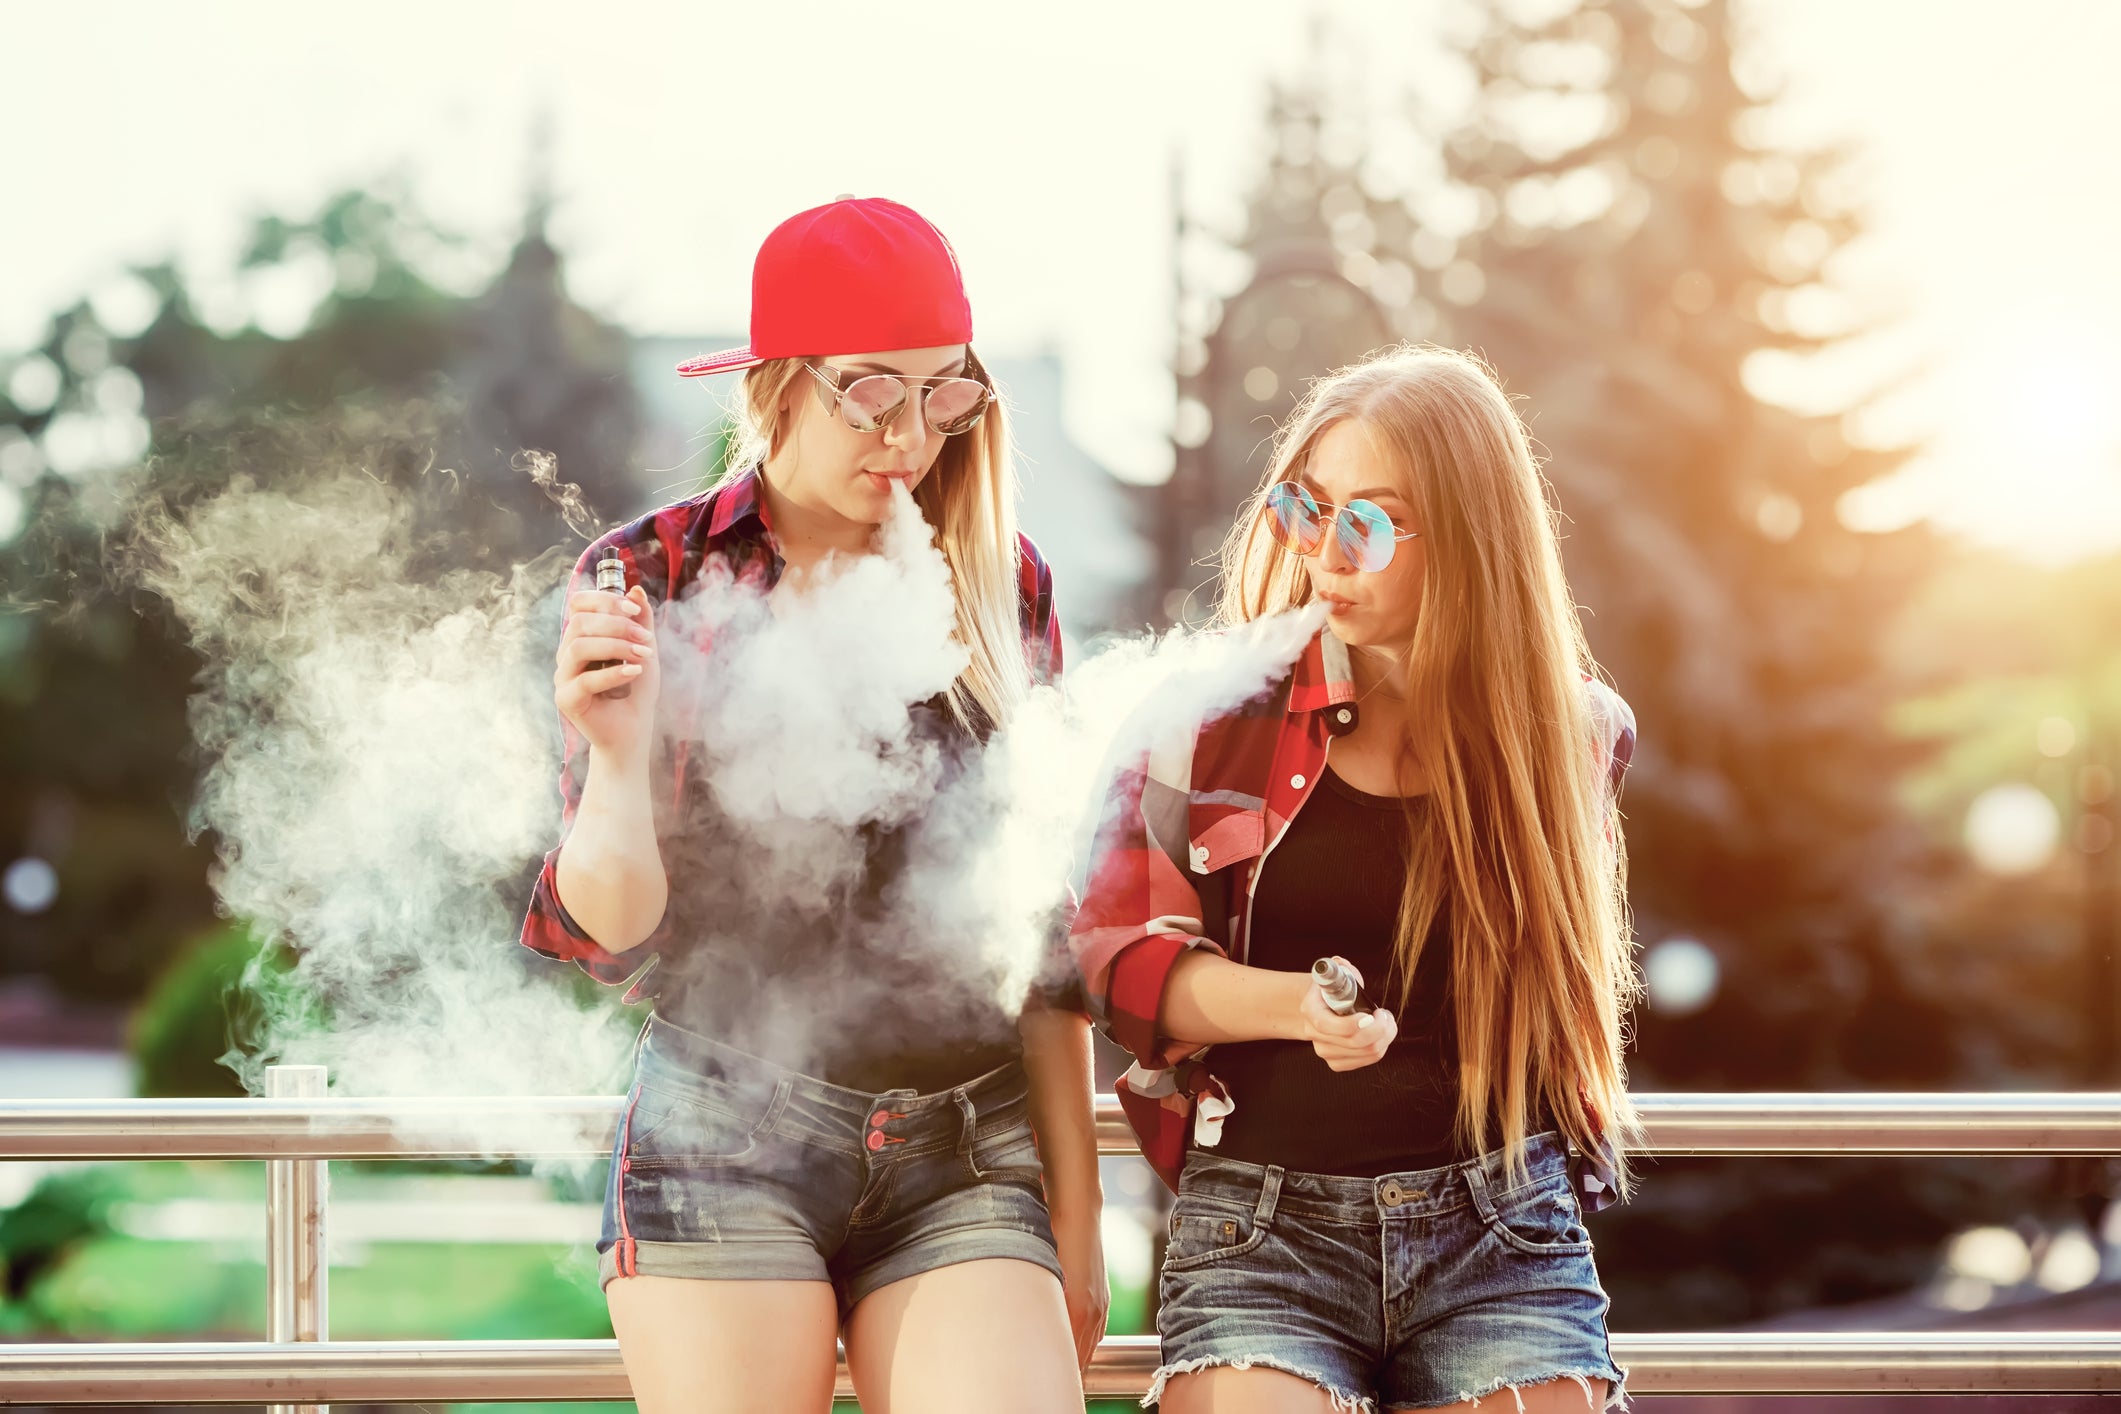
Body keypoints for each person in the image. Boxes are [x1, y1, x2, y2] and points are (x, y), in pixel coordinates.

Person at [522, 197, 1104, 1414]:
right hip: (723, 1131)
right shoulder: (656, 576)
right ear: (776, 386)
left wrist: (1080, 1207)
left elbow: (1038, 930)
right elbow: (611, 932)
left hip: (965, 1150)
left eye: (942, 393)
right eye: (871, 392)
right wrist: (617, 760)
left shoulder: (1005, 584)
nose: (910, 435)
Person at [1072, 345, 1637, 1414]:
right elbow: (1120, 966)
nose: (1326, 553)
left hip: (1501, 1227)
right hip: (1263, 1231)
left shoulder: (1572, 738)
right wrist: (1299, 1008)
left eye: (1369, 523)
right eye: (1307, 508)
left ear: (1468, 540)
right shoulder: (1201, 722)